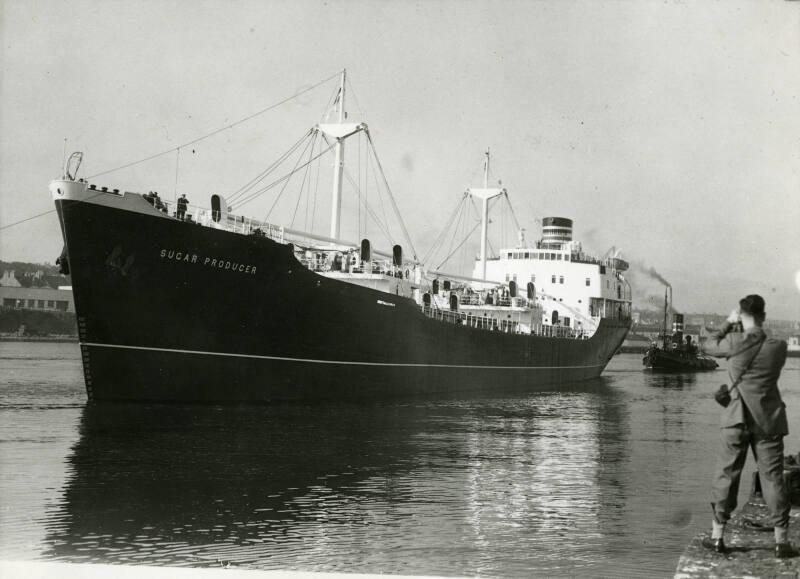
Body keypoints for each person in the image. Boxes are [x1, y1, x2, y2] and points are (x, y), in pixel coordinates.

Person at [701, 294, 795, 558]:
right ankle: (781, 542)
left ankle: (718, 537)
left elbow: (707, 345)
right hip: (768, 421)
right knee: (773, 479)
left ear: (741, 315)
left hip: (735, 419)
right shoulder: (778, 346)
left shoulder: (733, 342)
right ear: (764, 316)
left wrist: (728, 324)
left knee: (726, 476)